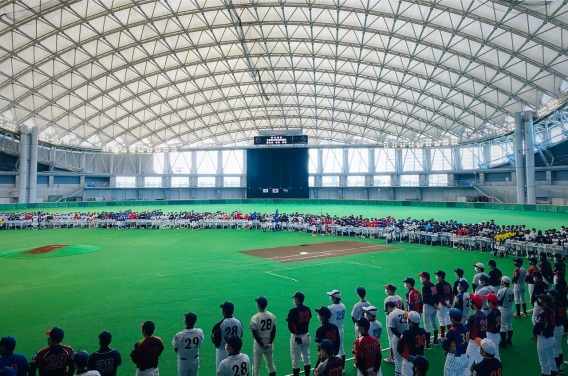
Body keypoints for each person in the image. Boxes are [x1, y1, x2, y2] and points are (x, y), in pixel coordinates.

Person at [212, 302, 243, 371]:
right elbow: (240, 336)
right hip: (235, 351)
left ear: (223, 311)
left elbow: (214, 340)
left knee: (221, 371)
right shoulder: (239, 322)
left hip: (222, 352)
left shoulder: (219, 325)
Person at [249, 296, 276, 376]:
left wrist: (261, 344)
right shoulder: (272, 316)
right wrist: (270, 343)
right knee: (271, 366)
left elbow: (254, 333)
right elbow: (274, 331)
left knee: (256, 367)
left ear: (258, 305)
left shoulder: (255, 317)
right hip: (269, 343)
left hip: (259, 344)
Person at [287, 292, 312, 376]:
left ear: (297, 299)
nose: (294, 300)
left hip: (297, 337)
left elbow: (290, 324)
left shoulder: (293, 311)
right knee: (307, 358)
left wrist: (295, 333)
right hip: (307, 335)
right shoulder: (307, 308)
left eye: (295, 298)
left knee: (295, 360)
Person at [532, 294, 557, 376]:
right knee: (551, 359)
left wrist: (535, 334)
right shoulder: (551, 311)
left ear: (545, 303)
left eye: (541, 300)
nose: (539, 301)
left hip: (544, 340)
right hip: (552, 338)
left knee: (544, 364)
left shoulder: (543, 313)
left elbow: (537, 327)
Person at [396, 311, 426, 376]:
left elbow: (399, 348)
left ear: (410, 321)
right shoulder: (423, 331)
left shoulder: (406, 333)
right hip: (421, 360)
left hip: (409, 362)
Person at [441, 308, 469, 376]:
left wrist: (447, 349)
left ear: (452, 319)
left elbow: (444, 346)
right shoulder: (465, 329)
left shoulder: (452, 331)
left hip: (455, 358)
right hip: (465, 356)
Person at [385, 301, 408, 376]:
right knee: (406, 358)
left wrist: (400, 336)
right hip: (407, 337)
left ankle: (398, 374)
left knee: (398, 359)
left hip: (397, 338)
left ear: (389, 307)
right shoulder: (405, 312)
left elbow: (392, 328)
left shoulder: (392, 314)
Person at [465, 295, 487, 372]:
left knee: (466, 366)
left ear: (474, 305)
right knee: (480, 365)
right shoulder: (484, 315)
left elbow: (466, 329)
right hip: (482, 343)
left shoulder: (473, 317)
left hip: (474, 344)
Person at [383, 283, 404, 364]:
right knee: (399, 336)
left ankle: (393, 357)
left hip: (391, 319)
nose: (386, 290)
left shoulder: (387, 299)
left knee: (391, 338)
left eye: (387, 289)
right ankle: (400, 354)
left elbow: (387, 312)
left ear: (391, 290)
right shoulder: (399, 297)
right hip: (400, 319)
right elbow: (402, 309)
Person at [418, 272, 439, 348]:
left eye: (422, 277)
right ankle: (435, 340)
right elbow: (437, 296)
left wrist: (433, 304)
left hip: (428, 307)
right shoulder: (433, 285)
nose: (420, 278)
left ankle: (427, 344)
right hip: (435, 307)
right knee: (434, 323)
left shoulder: (425, 287)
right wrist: (436, 304)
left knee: (426, 325)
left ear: (425, 278)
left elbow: (426, 299)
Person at [327, 290, 346, 369]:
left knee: (331, 349)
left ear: (334, 298)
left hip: (332, 331)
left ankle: (332, 367)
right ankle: (342, 368)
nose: (330, 297)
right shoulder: (343, 306)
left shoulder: (330, 308)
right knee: (341, 348)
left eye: (331, 296)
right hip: (340, 329)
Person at [547, 289, 565, 373]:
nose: (547, 295)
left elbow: (552, 317)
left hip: (556, 328)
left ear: (553, 296)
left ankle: (556, 370)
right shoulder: (560, 304)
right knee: (558, 348)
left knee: (555, 350)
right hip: (560, 327)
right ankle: (560, 368)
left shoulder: (553, 305)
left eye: (549, 294)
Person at [434, 270, 454, 341]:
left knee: (441, 319)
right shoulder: (448, 284)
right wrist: (450, 303)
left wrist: (445, 304)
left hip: (441, 303)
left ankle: (442, 336)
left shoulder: (438, 285)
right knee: (447, 318)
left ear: (439, 277)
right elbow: (451, 295)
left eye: (437, 275)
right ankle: (451, 334)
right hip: (448, 302)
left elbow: (439, 296)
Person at [496, 276, 514, 348]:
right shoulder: (511, 290)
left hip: (503, 309)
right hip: (510, 308)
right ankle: (509, 340)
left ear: (503, 282)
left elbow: (497, 299)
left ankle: (502, 342)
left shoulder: (502, 290)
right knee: (509, 325)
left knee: (502, 326)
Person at [483, 293, 501, 360]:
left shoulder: (490, 314)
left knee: (490, 354)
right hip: (496, 335)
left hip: (491, 336)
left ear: (490, 302)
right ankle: (498, 368)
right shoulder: (498, 311)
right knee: (496, 353)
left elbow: (486, 327)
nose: (486, 301)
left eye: (487, 300)